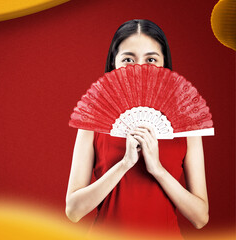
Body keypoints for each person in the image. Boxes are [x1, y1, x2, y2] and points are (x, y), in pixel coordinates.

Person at [65, 19, 209, 238]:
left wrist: (157, 169)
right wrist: (124, 164)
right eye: (128, 59)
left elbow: (200, 218)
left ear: (164, 64)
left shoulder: (186, 125)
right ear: (114, 63)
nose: (140, 67)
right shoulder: (92, 121)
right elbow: (73, 211)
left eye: (151, 59)